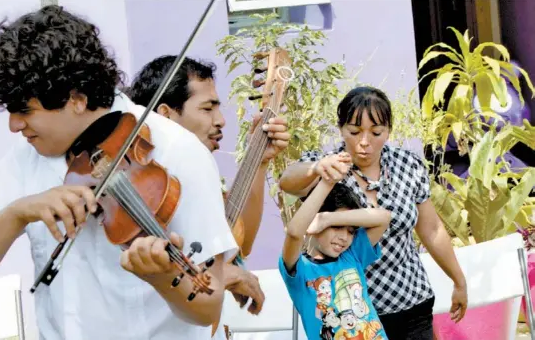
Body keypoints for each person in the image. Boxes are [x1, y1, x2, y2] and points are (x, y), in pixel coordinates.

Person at [0, 5, 238, 339]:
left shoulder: (178, 152)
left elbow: (207, 308)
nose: (14, 125)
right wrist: (18, 212)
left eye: (25, 111)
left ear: (76, 98)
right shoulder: (25, 157)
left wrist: (160, 276)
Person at [279, 86, 468, 339]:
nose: (364, 142)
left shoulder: (407, 165)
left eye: (376, 132)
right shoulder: (330, 167)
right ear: (341, 129)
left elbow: (431, 229)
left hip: (413, 302)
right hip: (357, 318)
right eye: (354, 132)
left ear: (388, 130)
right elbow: (286, 181)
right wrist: (317, 168)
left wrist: (459, 281)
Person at [127, 55, 291, 339]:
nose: (221, 121)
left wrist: (259, 161)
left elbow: (242, 242)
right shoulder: (140, 187)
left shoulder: (201, 178)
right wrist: (225, 275)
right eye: (207, 108)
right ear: (165, 115)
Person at [279, 157, 391, 340]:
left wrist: (329, 220)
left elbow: (384, 217)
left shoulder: (352, 255)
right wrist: (327, 181)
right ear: (314, 219)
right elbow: (293, 233)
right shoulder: (300, 271)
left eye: (351, 231)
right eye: (337, 228)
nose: (344, 238)